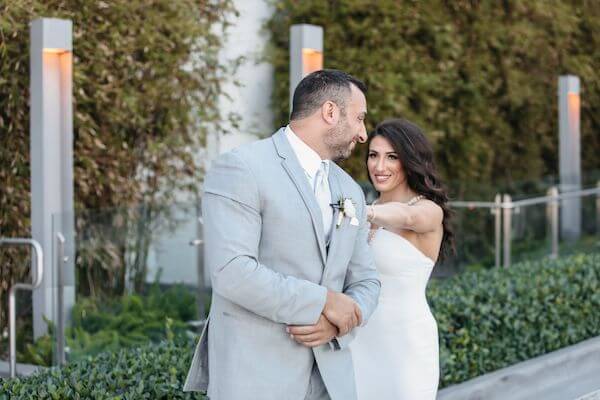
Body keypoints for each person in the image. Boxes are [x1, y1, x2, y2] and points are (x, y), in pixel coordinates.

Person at [184, 69, 381, 400]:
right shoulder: (242, 168)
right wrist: (323, 302)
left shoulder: (350, 190)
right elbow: (233, 273)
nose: (363, 134)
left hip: (332, 383)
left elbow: (367, 281)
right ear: (330, 112)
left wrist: (338, 324)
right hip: (257, 379)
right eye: (359, 119)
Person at [350, 118, 454, 400]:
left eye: (391, 157)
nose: (379, 166)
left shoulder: (428, 210)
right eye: (373, 155)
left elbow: (407, 217)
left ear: (409, 161)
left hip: (406, 344)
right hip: (357, 342)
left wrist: (360, 211)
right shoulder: (365, 211)